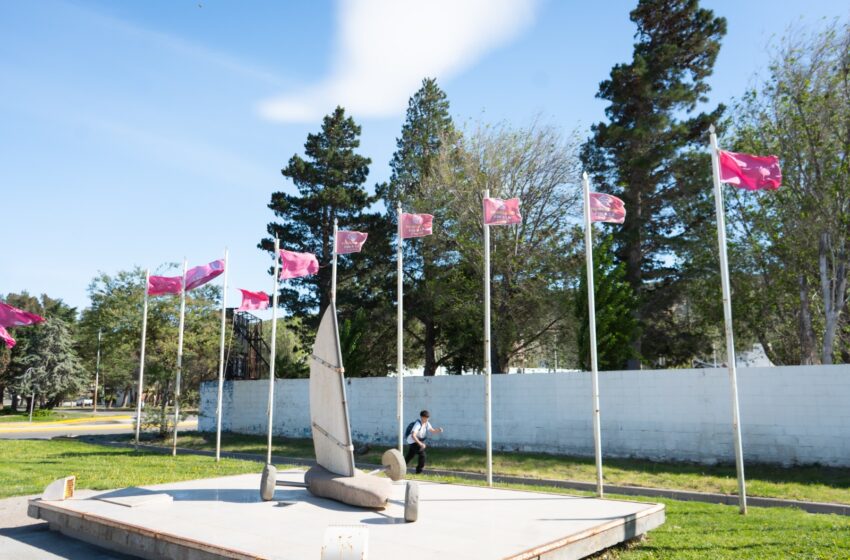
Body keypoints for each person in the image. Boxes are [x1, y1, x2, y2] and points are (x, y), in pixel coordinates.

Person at [404, 409, 443, 474]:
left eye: (428, 418)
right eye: (426, 418)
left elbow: (432, 430)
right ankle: (419, 472)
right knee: (422, 455)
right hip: (412, 441)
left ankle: (400, 467)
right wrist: (420, 444)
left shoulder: (427, 423)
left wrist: (438, 430)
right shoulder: (418, 424)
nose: (427, 419)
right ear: (422, 417)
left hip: (417, 440)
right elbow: (413, 435)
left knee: (410, 455)